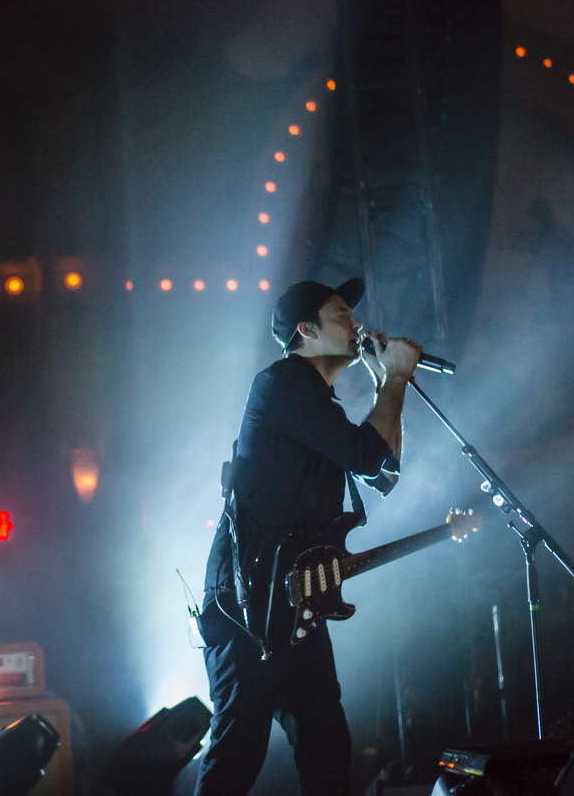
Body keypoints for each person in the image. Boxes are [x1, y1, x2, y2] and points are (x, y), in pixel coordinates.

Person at [195, 278, 422, 795]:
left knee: (326, 747)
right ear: (307, 329)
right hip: (248, 605)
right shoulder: (284, 383)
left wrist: (390, 380)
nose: (358, 325)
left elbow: (382, 473)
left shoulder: (319, 404)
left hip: (295, 601)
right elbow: (368, 456)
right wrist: (395, 380)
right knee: (237, 753)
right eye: (342, 313)